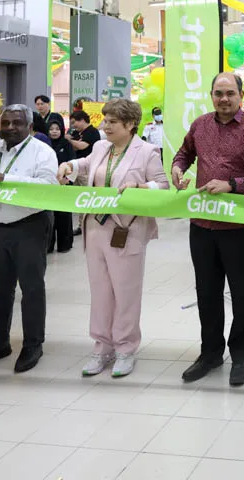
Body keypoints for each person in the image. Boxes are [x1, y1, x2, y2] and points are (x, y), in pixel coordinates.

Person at [172, 74, 244, 387]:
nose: (224, 99)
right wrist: (177, 167)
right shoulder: (200, 125)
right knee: (207, 291)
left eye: (230, 93)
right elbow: (184, 153)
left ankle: (240, 353)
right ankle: (210, 352)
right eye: (218, 93)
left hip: (239, 225)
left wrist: (232, 185)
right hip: (202, 223)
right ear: (211, 95)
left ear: (241, 95)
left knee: (242, 293)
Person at [58, 99, 168, 378]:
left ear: (130, 125)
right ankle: (101, 346)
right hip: (95, 228)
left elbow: (162, 186)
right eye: (104, 121)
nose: (105, 126)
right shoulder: (100, 147)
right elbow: (85, 165)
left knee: (125, 292)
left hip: (126, 231)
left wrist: (140, 186)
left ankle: (126, 348)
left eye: (112, 122)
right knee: (100, 291)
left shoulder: (147, 152)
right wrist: (69, 166)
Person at [0, 104, 58, 374]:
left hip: (29, 225)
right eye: (6, 123)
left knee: (32, 288)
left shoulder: (43, 152)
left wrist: (7, 178)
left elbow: (50, 188)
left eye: (17, 123)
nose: (11, 128)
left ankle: (33, 344)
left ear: (30, 126)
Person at [47, 120, 75, 254]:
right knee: (49, 216)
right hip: (49, 186)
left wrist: (66, 180)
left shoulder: (67, 145)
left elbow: (72, 164)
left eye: (57, 129)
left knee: (63, 215)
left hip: (64, 185)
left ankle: (65, 244)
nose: (54, 131)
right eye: (51, 129)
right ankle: (49, 245)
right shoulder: (44, 146)